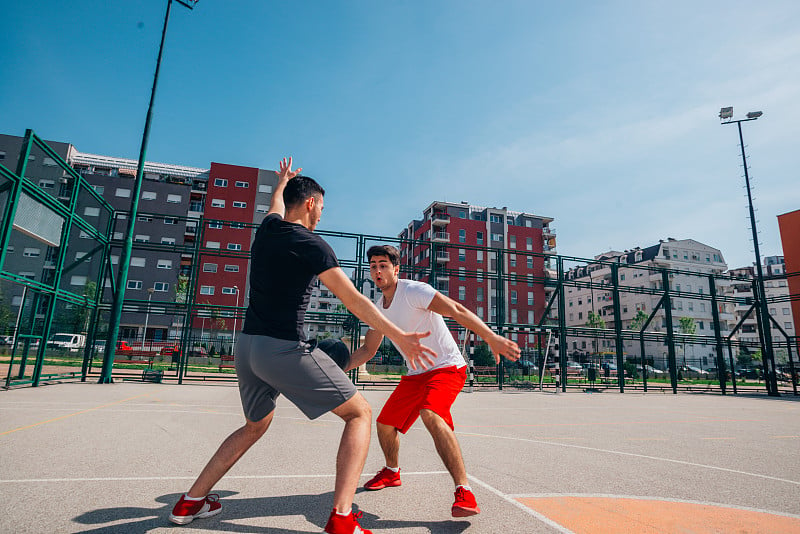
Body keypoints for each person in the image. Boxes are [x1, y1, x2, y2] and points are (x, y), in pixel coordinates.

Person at [169, 159, 436, 534]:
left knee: (253, 425)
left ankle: (190, 502)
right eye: (322, 208)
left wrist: (281, 182)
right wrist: (401, 334)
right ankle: (342, 518)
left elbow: (275, 205)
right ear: (310, 204)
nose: (322, 216)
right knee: (359, 413)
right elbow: (355, 301)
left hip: (246, 347)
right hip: (282, 348)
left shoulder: (268, 229)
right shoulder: (313, 245)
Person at [347, 244, 521, 517]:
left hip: (447, 368)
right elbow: (368, 349)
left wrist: (490, 336)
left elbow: (455, 309)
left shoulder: (414, 291)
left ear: (396, 269)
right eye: (373, 266)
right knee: (384, 425)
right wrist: (339, 367)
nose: (378, 270)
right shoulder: (378, 308)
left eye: (383, 265)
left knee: (431, 413)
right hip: (416, 374)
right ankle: (392, 472)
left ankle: (464, 491)